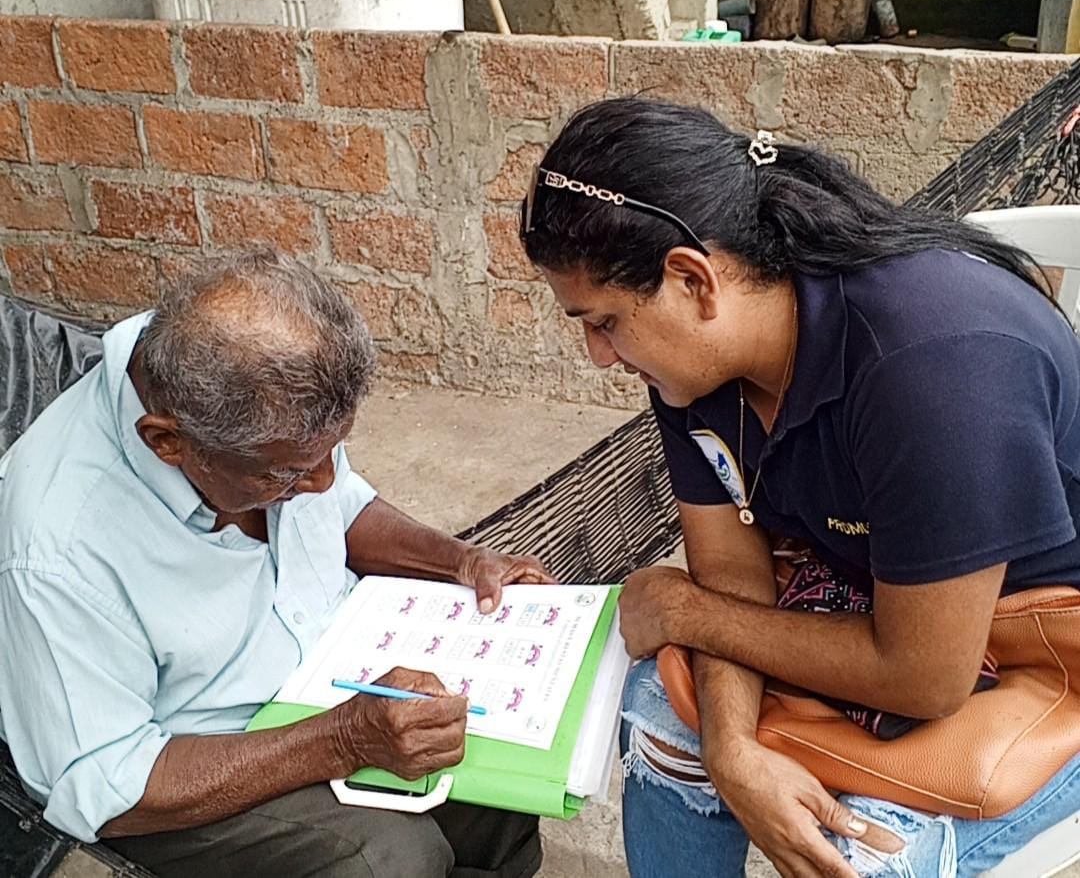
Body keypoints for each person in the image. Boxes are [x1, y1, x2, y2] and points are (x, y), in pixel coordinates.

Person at [519, 96, 1080, 878]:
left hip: (1037, 656)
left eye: (604, 321)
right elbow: (732, 571)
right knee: (661, 721)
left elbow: (925, 676)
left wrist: (684, 610)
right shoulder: (695, 369)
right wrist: (731, 751)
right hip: (868, 601)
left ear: (692, 279)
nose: (598, 354)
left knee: (861, 854)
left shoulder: (932, 366)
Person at [0, 247, 548, 878]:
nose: (321, 482)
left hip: (328, 680)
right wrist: (341, 740)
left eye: (330, 453)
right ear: (168, 442)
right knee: (385, 859)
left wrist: (459, 561)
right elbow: (109, 781)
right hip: (192, 758)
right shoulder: (56, 547)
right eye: (285, 474)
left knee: (499, 787)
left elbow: (342, 503)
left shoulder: (253, 394)